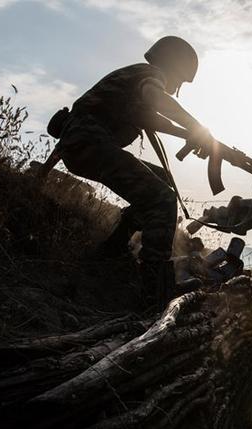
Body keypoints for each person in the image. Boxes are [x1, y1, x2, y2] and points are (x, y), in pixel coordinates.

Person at [37, 36, 217, 307]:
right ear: (171, 66)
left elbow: (150, 118)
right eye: (180, 80)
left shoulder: (133, 79)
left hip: (82, 144)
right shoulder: (150, 74)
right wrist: (198, 129)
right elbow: (154, 97)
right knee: (163, 198)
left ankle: (111, 251)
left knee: (161, 180)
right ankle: (153, 292)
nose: (177, 87)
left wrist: (191, 136)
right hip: (88, 142)